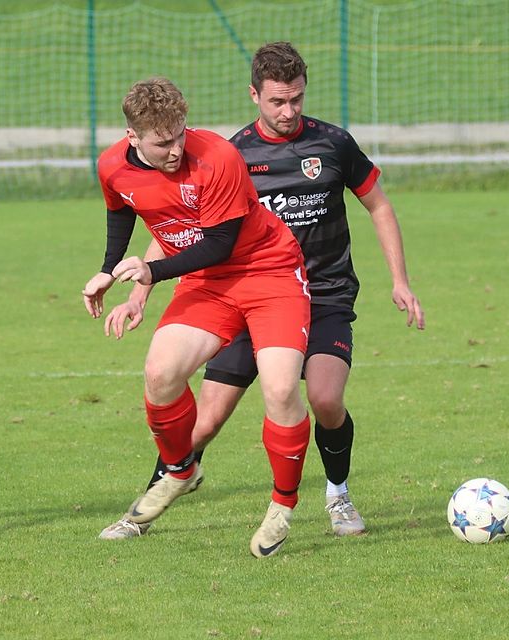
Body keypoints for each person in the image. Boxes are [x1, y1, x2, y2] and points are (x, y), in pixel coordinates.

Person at [99, 41, 424, 540]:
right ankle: (160, 491)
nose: (288, 110)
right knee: (200, 423)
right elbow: (178, 225)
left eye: (296, 99)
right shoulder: (232, 152)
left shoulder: (332, 144)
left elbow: (378, 206)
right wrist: (139, 286)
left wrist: (399, 280)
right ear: (255, 95)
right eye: (277, 100)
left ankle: (335, 495)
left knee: (323, 398)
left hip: (320, 291)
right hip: (232, 285)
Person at [82, 77, 313, 558]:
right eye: (162, 142)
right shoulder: (110, 166)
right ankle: (180, 470)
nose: (174, 149)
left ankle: (282, 504)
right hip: (208, 283)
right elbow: (122, 209)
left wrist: (149, 271)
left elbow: (220, 245)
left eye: (180, 135)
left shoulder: (219, 158)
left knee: (280, 388)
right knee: (160, 372)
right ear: (133, 139)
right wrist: (108, 271)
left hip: (267, 271)